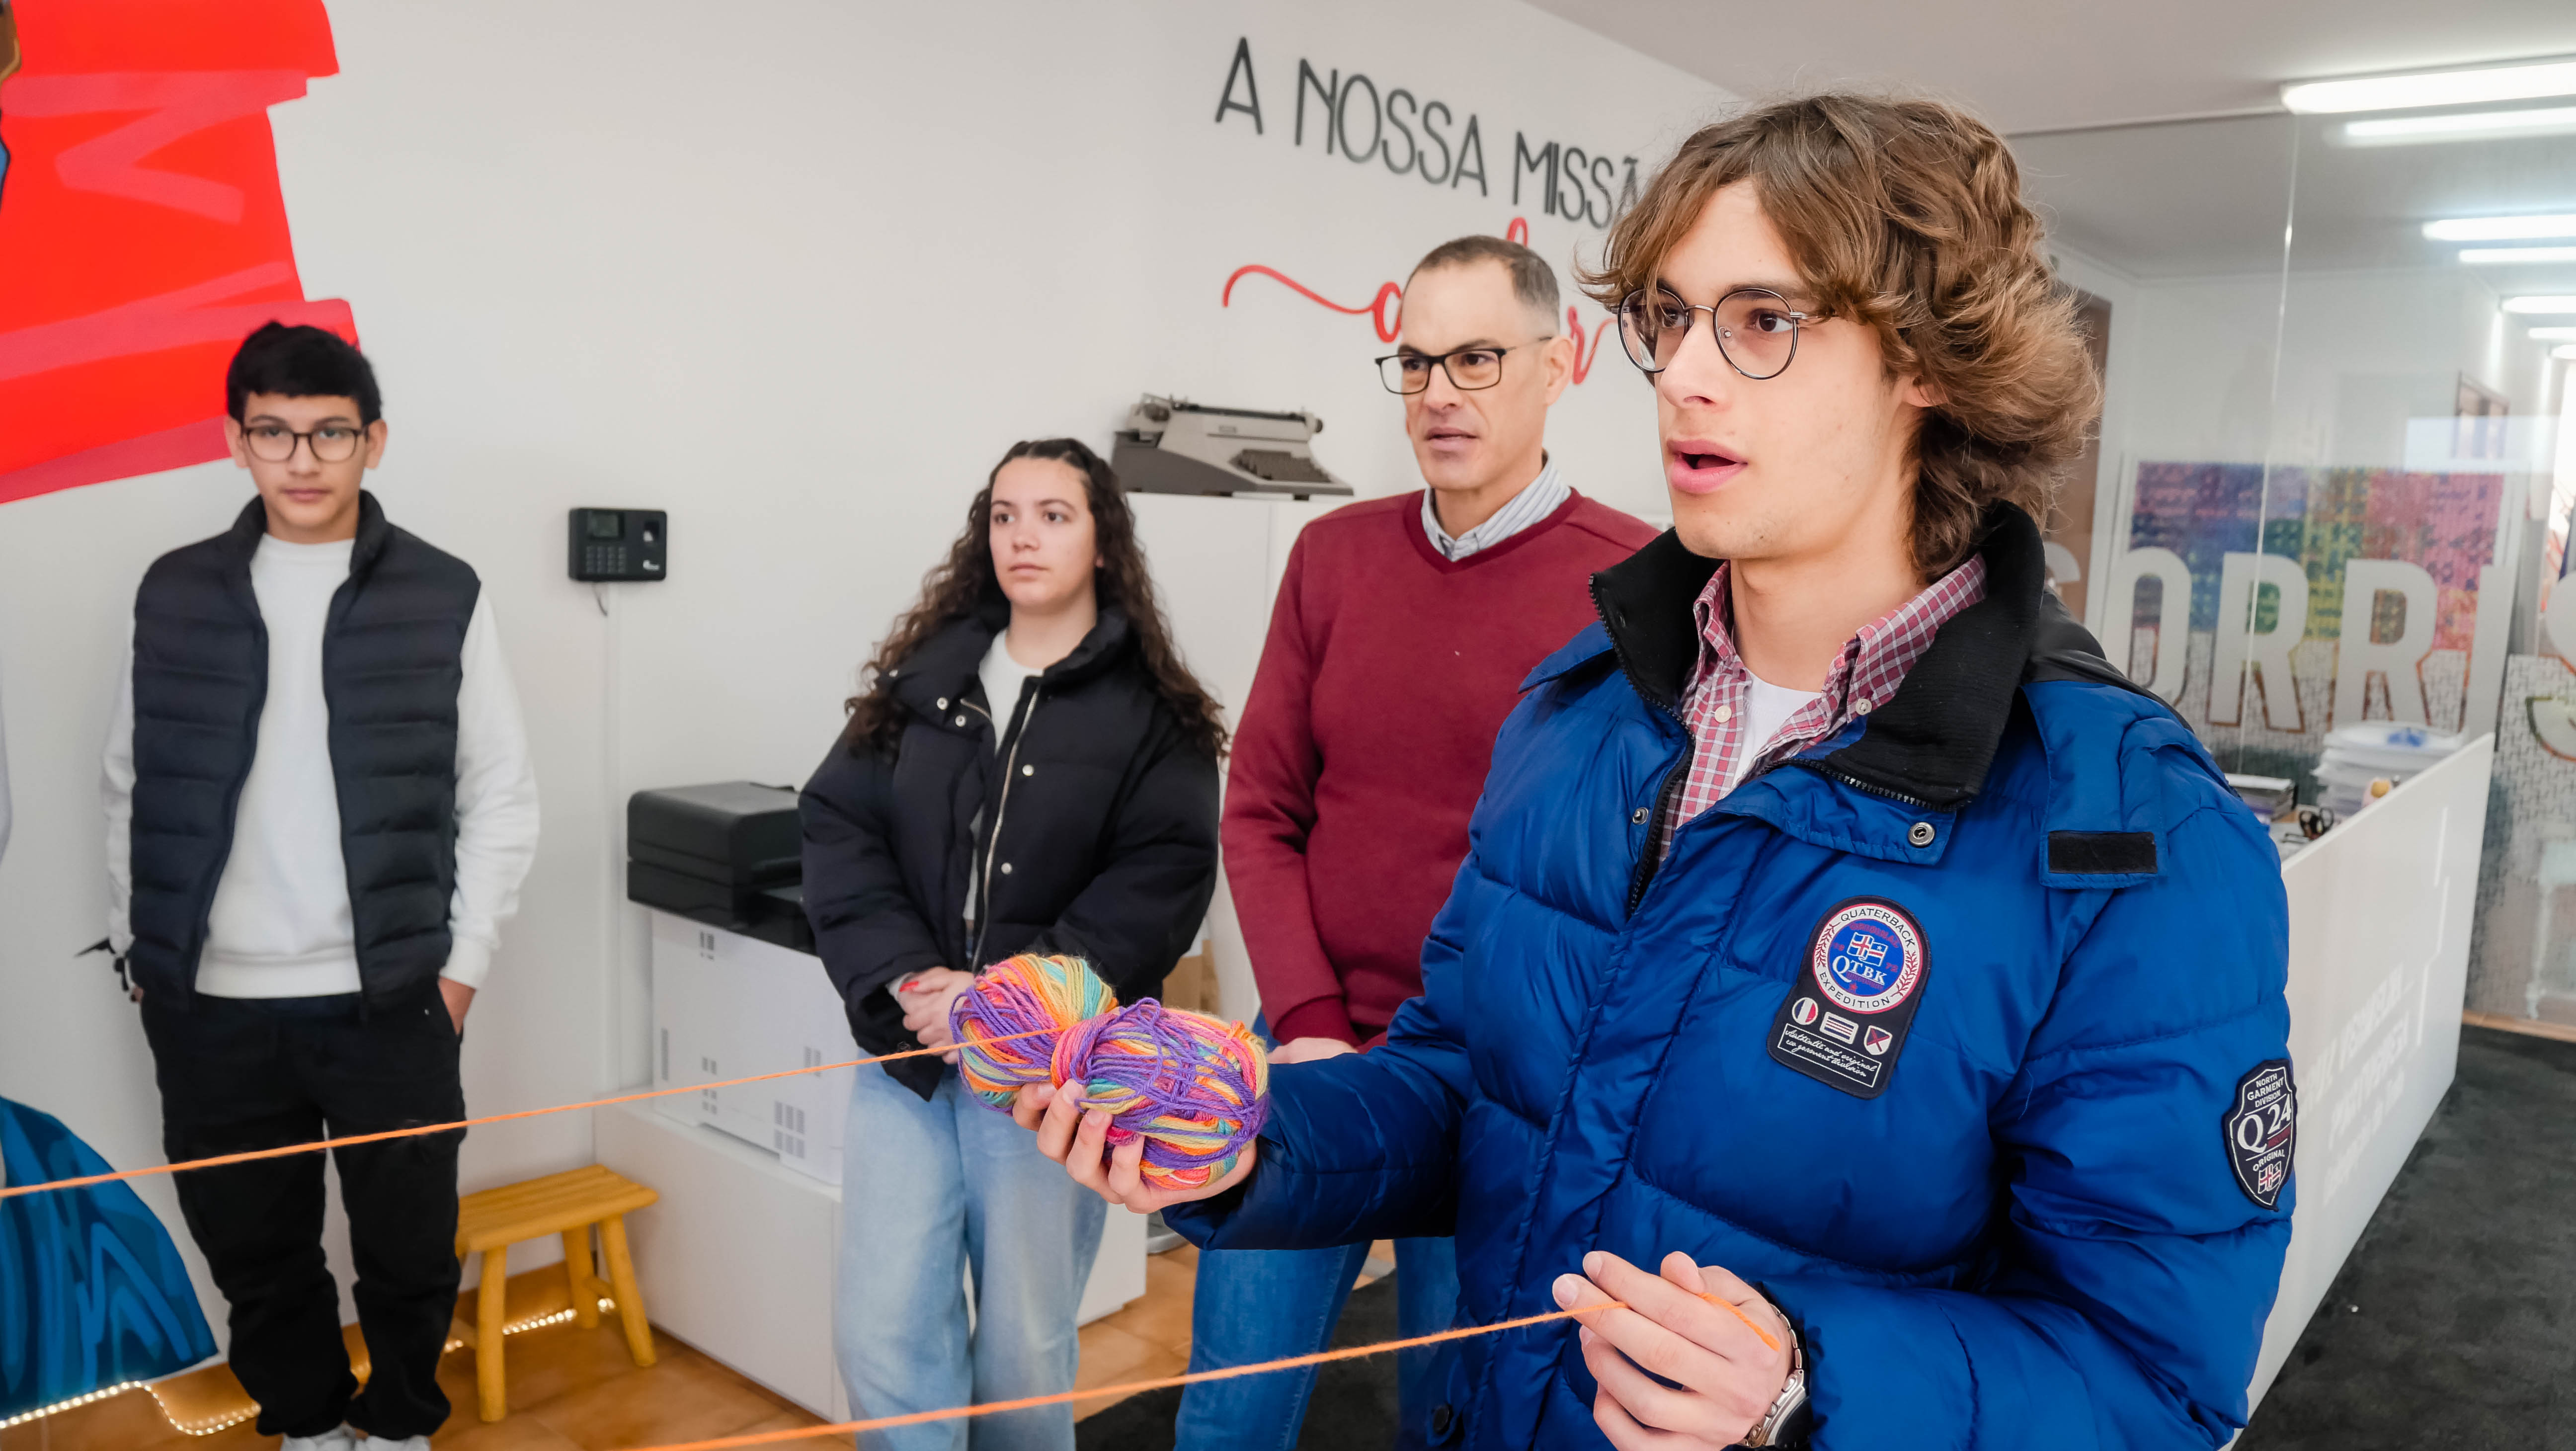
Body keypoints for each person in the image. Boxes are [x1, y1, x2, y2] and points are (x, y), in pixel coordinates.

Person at [1022, 94, 2294, 1450]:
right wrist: (1256, 1135)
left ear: (1925, 359)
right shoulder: (1585, 709)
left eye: (1763, 321)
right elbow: (1467, 1083)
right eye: (1670, 319)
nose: (1685, 374)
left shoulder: (2133, 839)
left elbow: (2155, 1380)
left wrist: (1805, 1388)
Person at [1181, 234, 1656, 1450]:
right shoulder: (1332, 556)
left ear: (1560, 363)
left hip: (1498, 1086)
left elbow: (1641, 868)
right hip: (1312, 1048)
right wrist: (1306, 1022)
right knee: (1230, 1409)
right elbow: (1261, 807)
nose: (1441, 392)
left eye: (1478, 358)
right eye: (1417, 362)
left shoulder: (1641, 586)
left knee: (1453, 1418)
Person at [102, 322, 540, 1451]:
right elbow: (133, 783)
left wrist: (460, 971)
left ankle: (397, 1428)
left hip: (388, 996)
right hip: (208, 1002)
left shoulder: (443, 590)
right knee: (255, 1250)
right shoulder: (176, 590)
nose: (303, 459)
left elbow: (500, 791)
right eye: (275, 432)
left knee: (408, 1245)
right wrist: (141, 954)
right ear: (237, 441)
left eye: (330, 433)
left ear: (373, 441)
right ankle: (305, 1426)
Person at [800, 437, 1223, 1451]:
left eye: (1053, 514)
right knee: (880, 1335)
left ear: (1104, 542)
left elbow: (1159, 881)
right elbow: (838, 824)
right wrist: (911, 979)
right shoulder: (925, 683)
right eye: (1003, 515)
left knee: (1025, 1354)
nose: (1021, 536)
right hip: (909, 1059)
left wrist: (1003, 1002)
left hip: (1048, 1082)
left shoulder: (1155, 716)